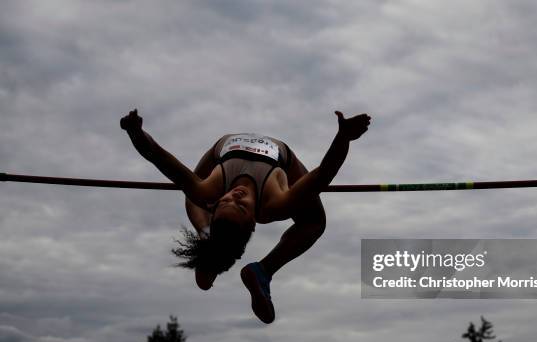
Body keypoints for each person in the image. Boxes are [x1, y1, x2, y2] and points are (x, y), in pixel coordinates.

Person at [120, 109, 371, 324]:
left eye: (226, 201)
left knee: (194, 192)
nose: (235, 195)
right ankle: (262, 270)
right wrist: (343, 138)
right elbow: (323, 174)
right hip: (279, 157)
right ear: (254, 220)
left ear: (218, 202)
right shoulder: (275, 203)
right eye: (241, 206)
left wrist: (136, 133)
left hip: (224, 149)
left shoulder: (212, 190)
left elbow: (158, 157)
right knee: (315, 221)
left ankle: (209, 239)